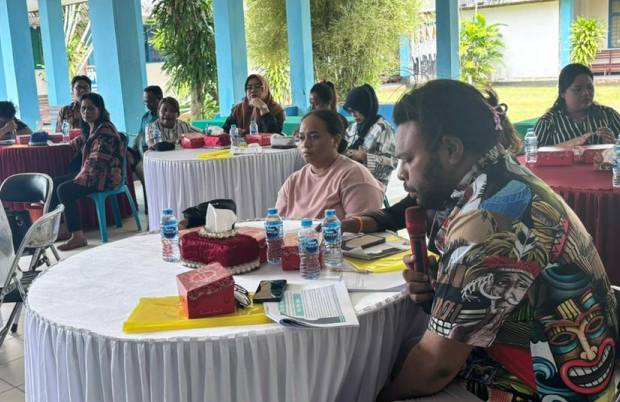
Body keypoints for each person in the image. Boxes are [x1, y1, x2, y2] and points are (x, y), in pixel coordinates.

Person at [375, 80, 617, 402]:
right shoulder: (505, 177)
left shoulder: (486, 219)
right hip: (577, 374)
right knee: (396, 353)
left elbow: (435, 367)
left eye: (408, 160)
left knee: (382, 369)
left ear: (452, 149)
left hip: (548, 388)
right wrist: (445, 287)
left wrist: (379, 397)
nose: (400, 174)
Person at [276, 110, 384, 220]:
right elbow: (276, 223)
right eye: (301, 137)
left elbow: (362, 228)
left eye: (314, 137)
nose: (305, 144)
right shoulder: (293, 181)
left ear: (336, 140)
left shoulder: (354, 176)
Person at [50, 93, 124, 251]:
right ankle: (64, 229)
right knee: (53, 184)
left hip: (105, 177)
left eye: (91, 108)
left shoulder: (105, 130)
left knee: (64, 190)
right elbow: (82, 143)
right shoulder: (91, 128)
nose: (86, 112)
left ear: (100, 110)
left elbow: (97, 161)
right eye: (83, 108)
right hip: (93, 174)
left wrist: (79, 176)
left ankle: (78, 236)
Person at [535, 63, 620, 147]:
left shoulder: (609, 115)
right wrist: (567, 145)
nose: (586, 93)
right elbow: (534, 151)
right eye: (578, 89)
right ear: (562, 93)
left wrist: (614, 142)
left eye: (589, 87)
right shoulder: (548, 122)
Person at [343, 84, 397, 187]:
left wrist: (365, 157)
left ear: (365, 107)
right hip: (350, 181)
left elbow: (392, 163)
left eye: (356, 110)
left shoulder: (384, 129)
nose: (353, 115)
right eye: (350, 111)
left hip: (373, 186)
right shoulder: (352, 129)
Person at [130, 86, 163, 191]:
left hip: (155, 151)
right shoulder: (146, 116)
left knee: (139, 167)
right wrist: (132, 150)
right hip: (141, 150)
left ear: (159, 99)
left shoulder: (164, 116)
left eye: (151, 101)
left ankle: (152, 192)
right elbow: (139, 135)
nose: (148, 105)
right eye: (146, 102)